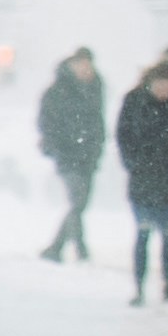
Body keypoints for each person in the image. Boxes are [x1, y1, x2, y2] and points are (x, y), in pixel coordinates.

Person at [112, 49, 168, 302]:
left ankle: (167, 285)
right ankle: (139, 287)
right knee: (143, 233)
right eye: (159, 84)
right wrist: (134, 164)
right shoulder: (135, 101)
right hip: (143, 179)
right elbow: (123, 135)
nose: (164, 90)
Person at [35, 48, 108, 262]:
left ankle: (57, 247)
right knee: (78, 201)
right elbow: (46, 121)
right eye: (81, 64)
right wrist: (56, 145)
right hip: (66, 154)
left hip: (88, 155)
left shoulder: (95, 88)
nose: (85, 69)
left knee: (80, 203)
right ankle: (79, 248)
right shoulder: (57, 91)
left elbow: (98, 121)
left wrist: (97, 146)